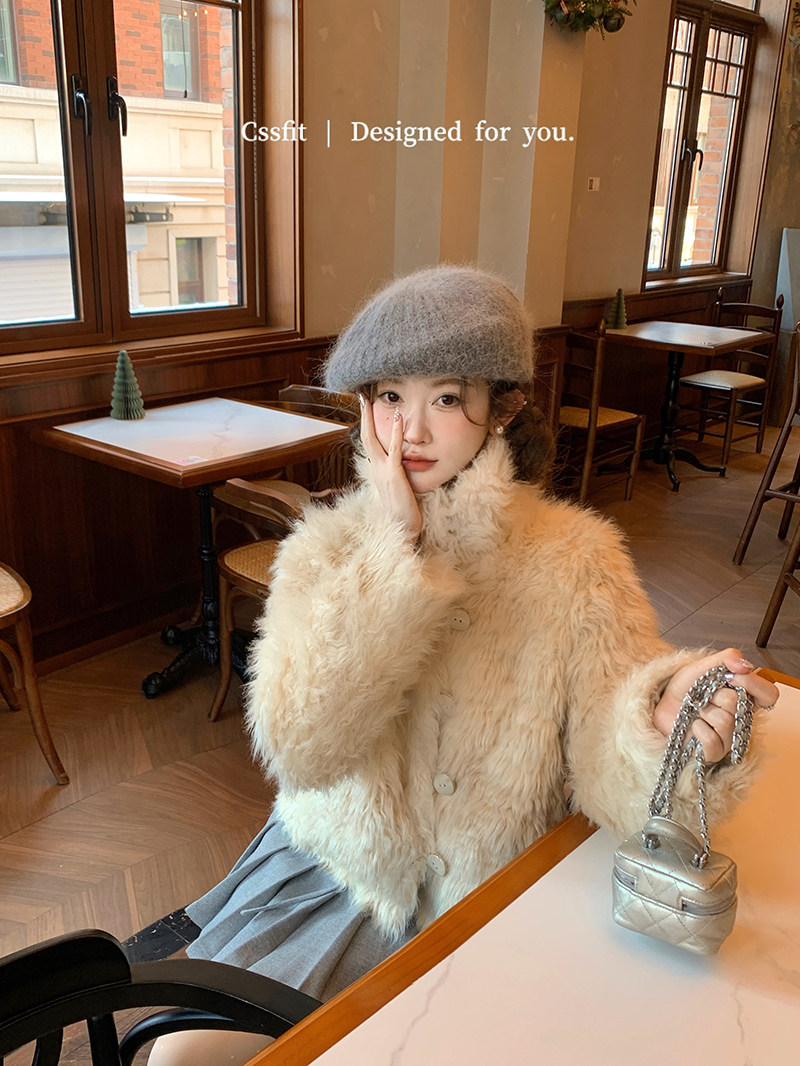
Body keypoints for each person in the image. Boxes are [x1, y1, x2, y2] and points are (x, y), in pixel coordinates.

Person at [149, 265, 778, 1066]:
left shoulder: (577, 558)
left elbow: (607, 763)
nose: (410, 430)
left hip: (495, 893)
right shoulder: (325, 548)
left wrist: (660, 722)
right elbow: (302, 749)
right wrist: (396, 553)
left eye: (446, 398)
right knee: (176, 1055)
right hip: (344, 877)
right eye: (390, 396)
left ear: (501, 408)